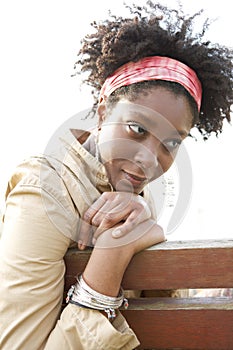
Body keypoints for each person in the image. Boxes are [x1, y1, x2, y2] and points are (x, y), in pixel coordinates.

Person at [1, 1, 233, 349]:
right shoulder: (45, 191)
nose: (148, 160)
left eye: (171, 142)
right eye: (137, 128)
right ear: (101, 114)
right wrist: (113, 252)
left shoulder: (142, 196)